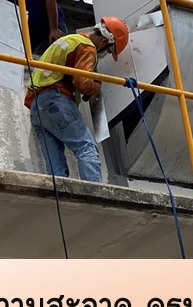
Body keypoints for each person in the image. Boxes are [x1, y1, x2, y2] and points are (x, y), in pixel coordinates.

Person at [25, 17, 129, 183]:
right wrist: (96, 86)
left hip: (37, 107)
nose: (105, 54)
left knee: (55, 164)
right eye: (109, 51)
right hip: (56, 101)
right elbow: (82, 82)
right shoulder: (87, 47)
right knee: (86, 148)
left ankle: (60, 193)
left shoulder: (70, 39)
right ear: (104, 41)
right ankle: (95, 192)